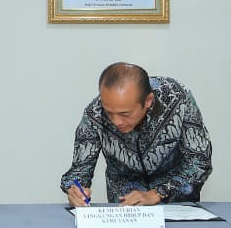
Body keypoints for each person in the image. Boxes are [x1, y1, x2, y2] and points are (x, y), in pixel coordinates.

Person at [61, 63, 213, 206]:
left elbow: (199, 163)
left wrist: (157, 193)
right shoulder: (94, 113)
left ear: (148, 101)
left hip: (178, 205)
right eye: (109, 113)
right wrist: (75, 190)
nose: (116, 121)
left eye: (125, 114)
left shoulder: (178, 98)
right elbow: (79, 171)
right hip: (125, 206)